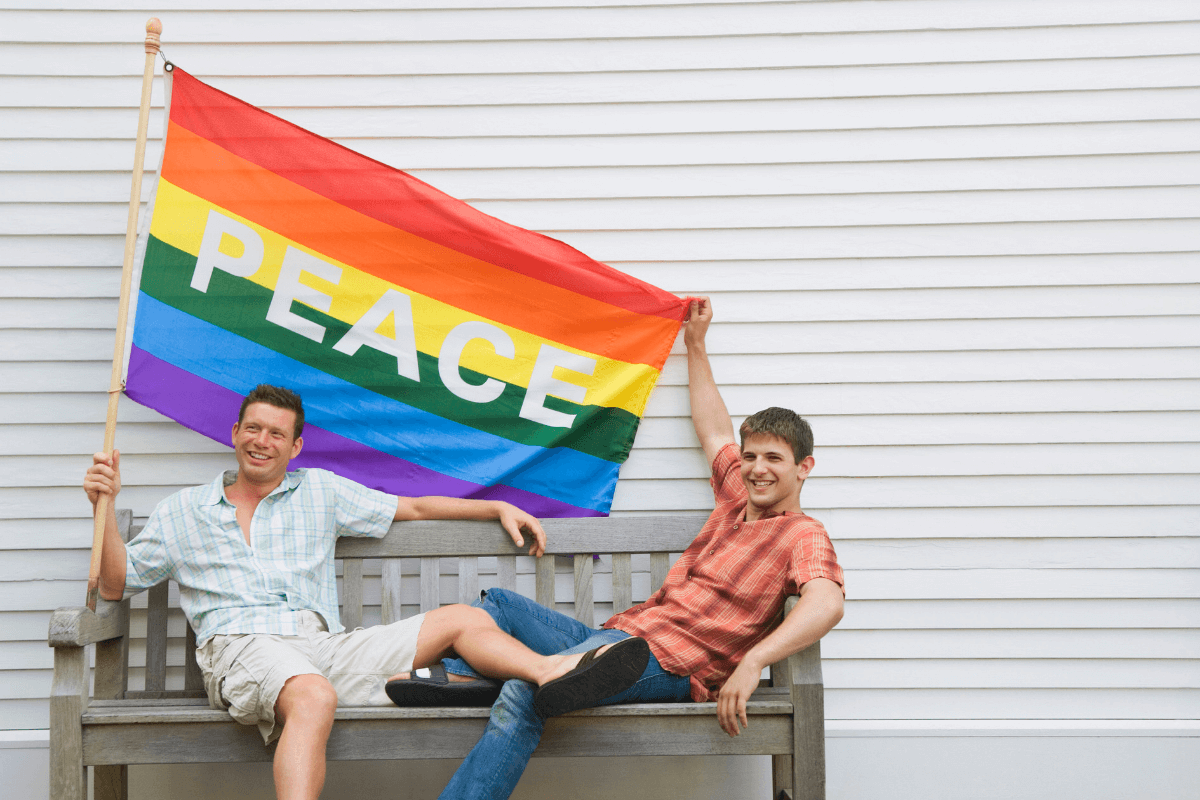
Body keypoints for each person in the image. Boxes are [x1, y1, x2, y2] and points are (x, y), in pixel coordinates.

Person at [82, 383, 649, 800]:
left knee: (462, 618)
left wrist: (497, 505)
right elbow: (114, 581)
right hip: (240, 644)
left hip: (321, 646)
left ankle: (548, 672)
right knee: (313, 696)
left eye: (276, 433)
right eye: (252, 428)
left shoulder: (320, 493)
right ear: (234, 434)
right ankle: (451, 680)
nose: (262, 441)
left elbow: (417, 507)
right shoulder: (184, 510)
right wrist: (103, 508)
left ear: (296, 447)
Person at [388, 296, 846, 800]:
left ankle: (466, 679)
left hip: (671, 663)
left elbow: (826, 601)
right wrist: (695, 345)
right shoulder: (735, 495)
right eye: (752, 455)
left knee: (524, 693)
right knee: (498, 604)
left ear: (803, 467)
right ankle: (486, 678)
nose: (757, 468)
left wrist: (754, 661)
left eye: (774, 459)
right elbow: (714, 429)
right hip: (620, 636)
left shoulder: (803, 534)